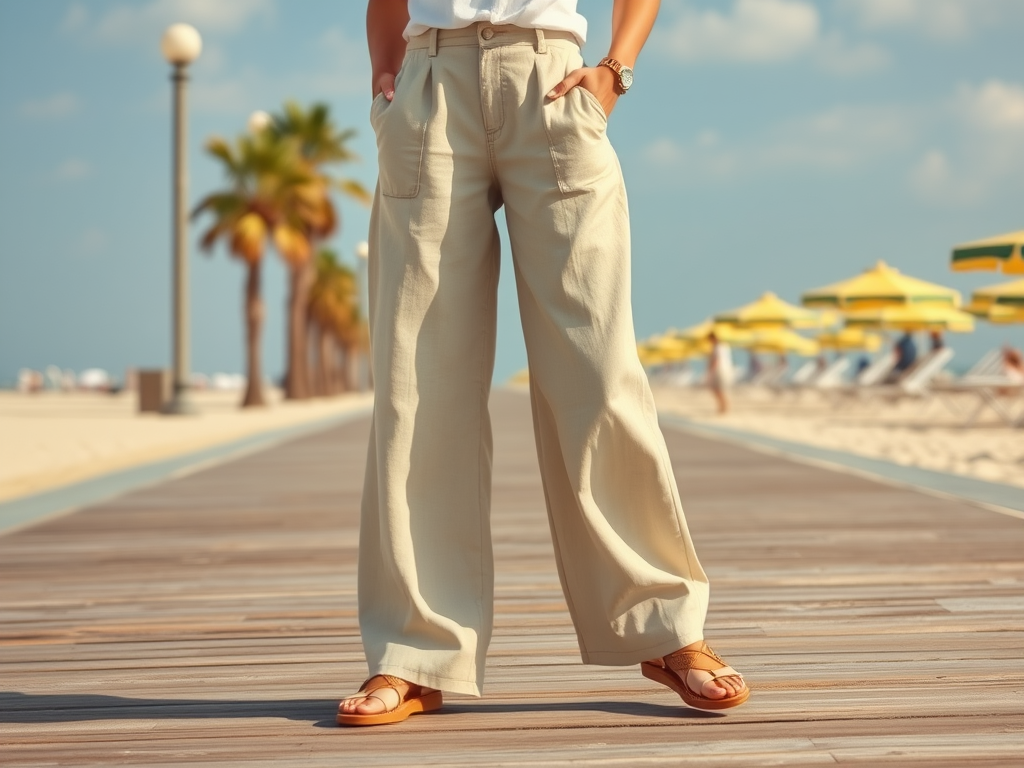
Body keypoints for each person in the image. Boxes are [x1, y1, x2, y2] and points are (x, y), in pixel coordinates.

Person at [339, 0, 748, 727]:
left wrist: (616, 71)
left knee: (599, 370)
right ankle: (415, 652)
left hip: (554, 80)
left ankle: (664, 627)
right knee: (416, 386)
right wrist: (384, 78)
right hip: (431, 83)